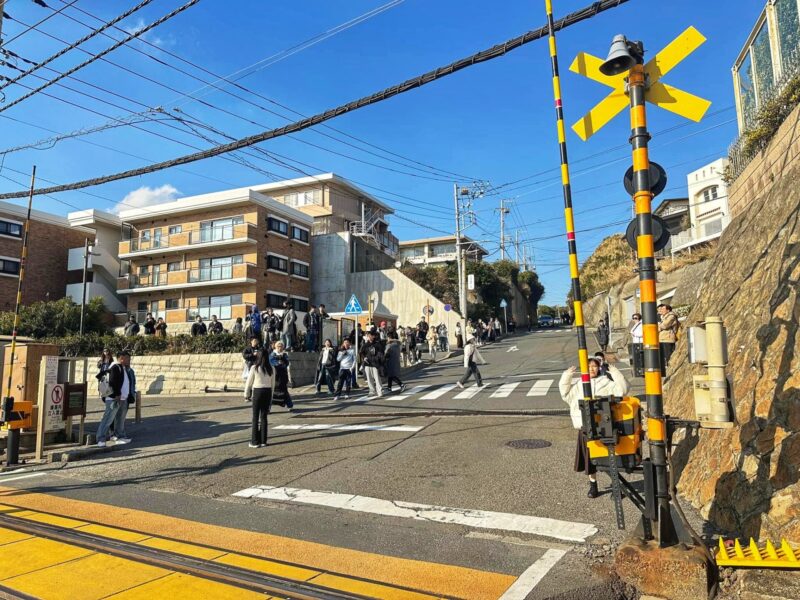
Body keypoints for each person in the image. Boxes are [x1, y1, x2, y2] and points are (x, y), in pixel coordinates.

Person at [559, 358, 629, 499]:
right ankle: (593, 486)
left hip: (604, 427)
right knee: (590, 461)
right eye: (589, 366)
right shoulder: (579, 384)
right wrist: (567, 376)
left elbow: (623, 389)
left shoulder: (606, 382)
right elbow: (565, 394)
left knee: (610, 457)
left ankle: (617, 487)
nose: (592, 369)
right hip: (585, 428)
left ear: (599, 368)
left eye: (594, 366)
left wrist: (614, 371)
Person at [96, 351, 133, 447]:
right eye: (128, 359)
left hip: (122, 398)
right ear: (121, 358)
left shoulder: (123, 368)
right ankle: (101, 438)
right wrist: (117, 394)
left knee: (120, 419)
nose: (129, 361)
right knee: (108, 418)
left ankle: (120, 436)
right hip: (114, 398)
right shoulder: (115, 367)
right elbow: (113, 382)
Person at [244, 350, 274, 448]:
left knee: (255, 417)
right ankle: (263, 440)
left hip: (257, 391)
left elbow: (249, 382)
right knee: (264, 417)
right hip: (268, 391)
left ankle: (254, 441)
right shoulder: (272, 368)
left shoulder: (254, 368)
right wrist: (271, 397)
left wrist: (246, 394)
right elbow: (273, 385)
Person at [360, 330, 384, 399]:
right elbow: (361, 353)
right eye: (368, 336)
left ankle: (380, 391)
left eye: (370, 335)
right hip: (368, 364)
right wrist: (364, 358)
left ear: (373, 336)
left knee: (377, 378)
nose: (369, 337)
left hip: (375, 363)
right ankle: (372, 391)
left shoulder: (377, 344)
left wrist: (377, 358)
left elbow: (381, 353)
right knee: (369, 378)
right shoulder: (365, 345)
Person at [269, 341, 294, 409]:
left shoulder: (284, 354)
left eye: (281, 346)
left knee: (284, 391)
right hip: (275, 376)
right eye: (278, 346)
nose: (280, 348)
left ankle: (290, 405)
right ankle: (268, 408)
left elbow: (287, 363)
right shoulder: (272, 354)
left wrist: (281, 363)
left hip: (283, 376)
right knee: (272, 392)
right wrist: (279, 363)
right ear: (275, 347)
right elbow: (272, 362)